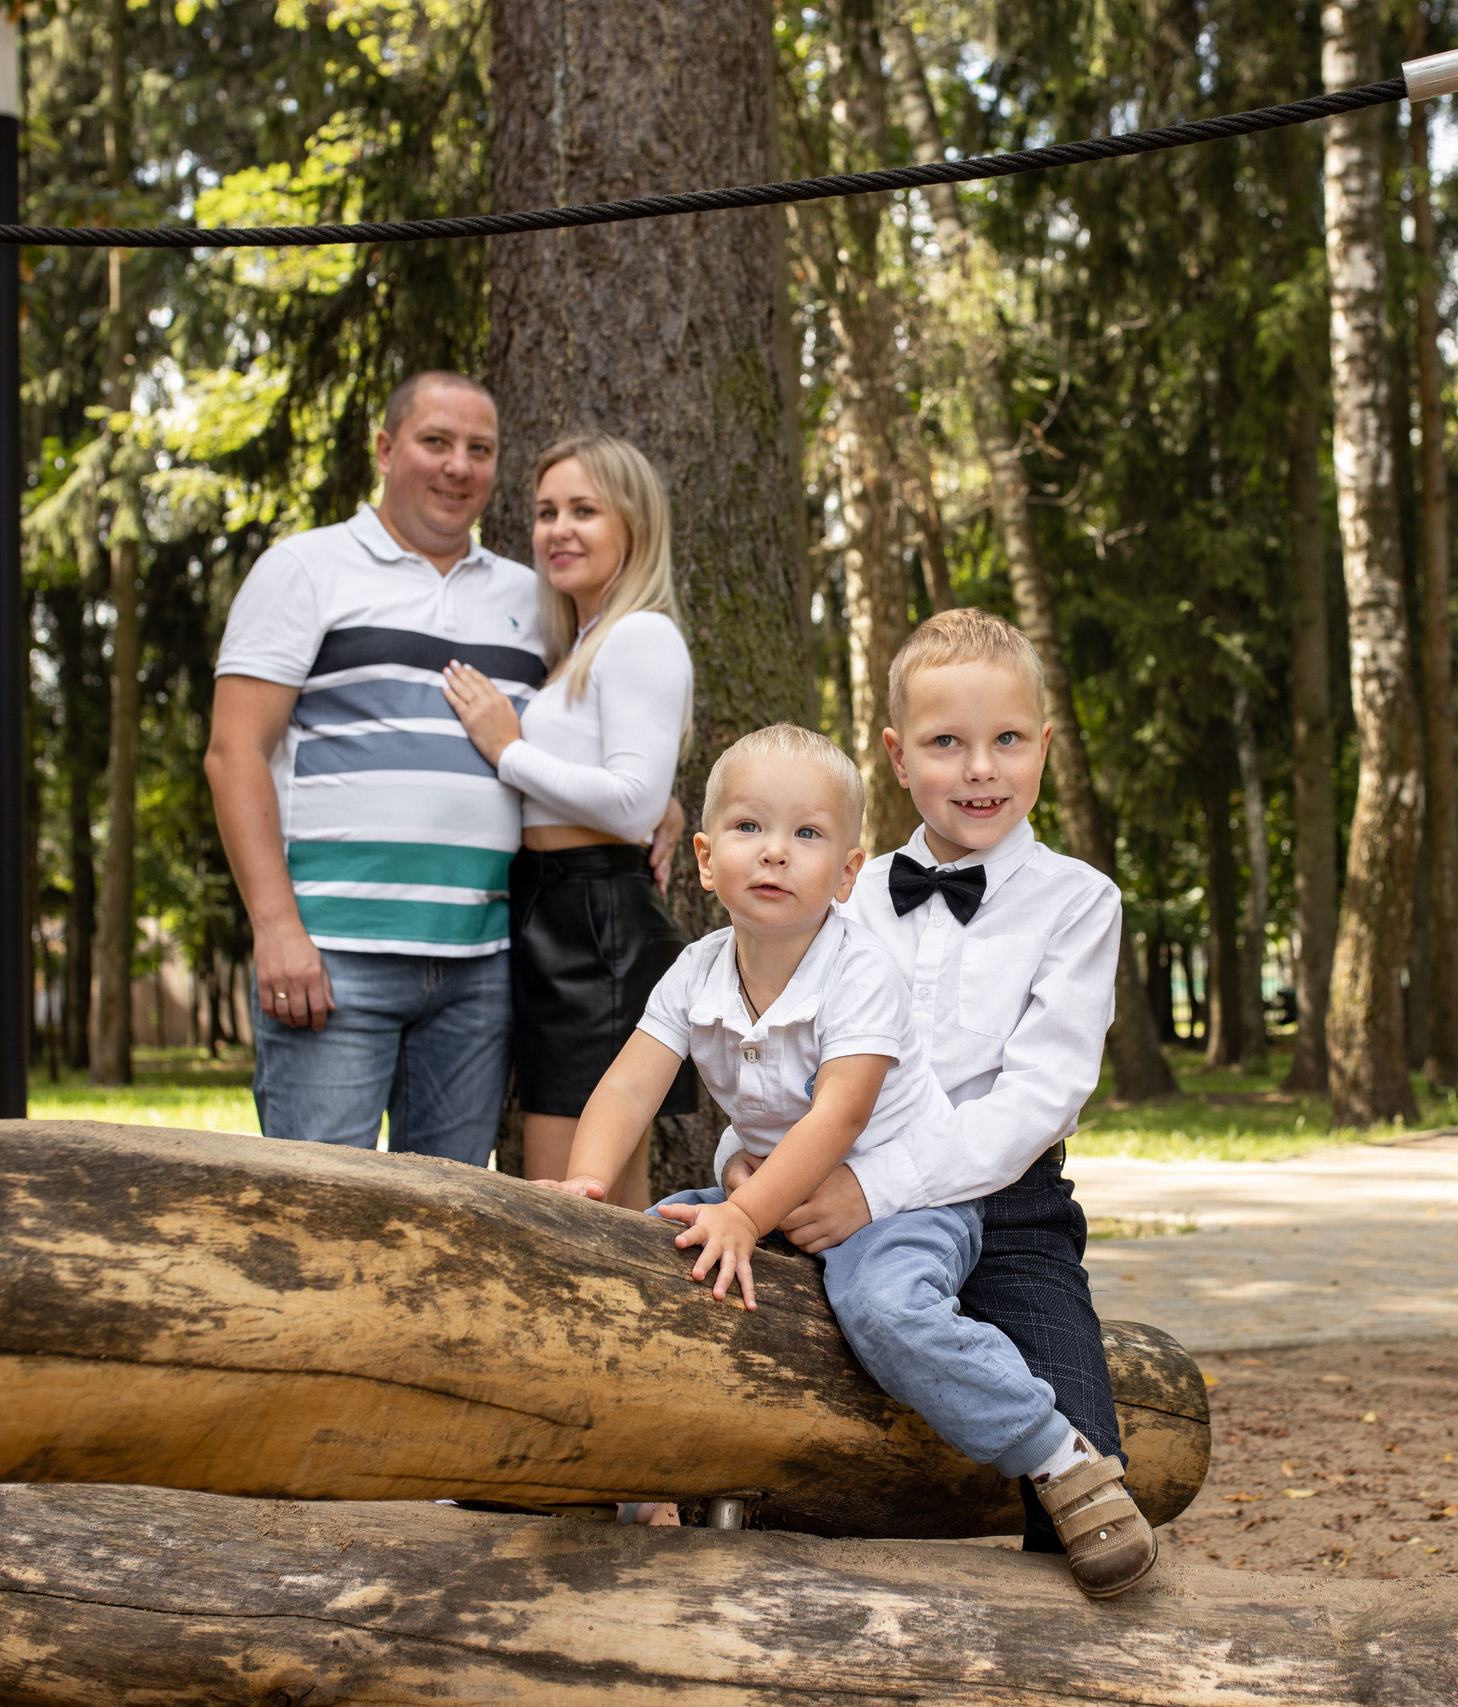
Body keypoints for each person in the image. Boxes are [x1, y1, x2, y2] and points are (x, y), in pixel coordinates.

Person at [539, 723, 1157, 1599]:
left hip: (906, 1202)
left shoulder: (859, 967)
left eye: (807, 835)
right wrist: (586, 1187)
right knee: (637, 1252)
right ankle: (618, 1478)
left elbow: (840, 1115)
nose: (777, 854)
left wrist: (749, 1215)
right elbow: (629, 1087)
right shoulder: (695, 969)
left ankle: (1059, 1457)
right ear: (706, 858)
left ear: (850, 872)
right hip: (769, 1190)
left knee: (886, 1307)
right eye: (751, 829)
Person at [721, 608, 1128, 1559]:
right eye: (948, 743)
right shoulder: (845, 893)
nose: (980, 768)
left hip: (1008, 1205)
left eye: (1007, 741)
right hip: (823, 1184)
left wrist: (874, 1189)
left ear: (1044, 747)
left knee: (1087, 1494)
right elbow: (773, 1046)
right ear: (899, 759)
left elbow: (1037, 1100)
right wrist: (754, 1163)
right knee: (756, 1398)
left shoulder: (1078, 902)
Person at [205, 374, 672, 1163]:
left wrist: (658, 802)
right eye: (436, 442)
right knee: (320, 1209)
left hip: (481, 968)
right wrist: (276, 927)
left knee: (453, 1223)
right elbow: (232, 753)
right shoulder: (306, 568)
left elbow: (592, 719)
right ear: (387, 450)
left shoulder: (534, 597)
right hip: (332, 954)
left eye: (479, 450)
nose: (458, 466)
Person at [441, 434, 697, 1211]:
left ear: (634, 525)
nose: (559, 530)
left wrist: (507, 749)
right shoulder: (583, 639)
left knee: (566, 1205)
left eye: (584, 510)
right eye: (547, 512)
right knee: (591, 1202)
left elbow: (633, 801)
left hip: (597, 929)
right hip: (554, 908)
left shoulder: (640, 634)